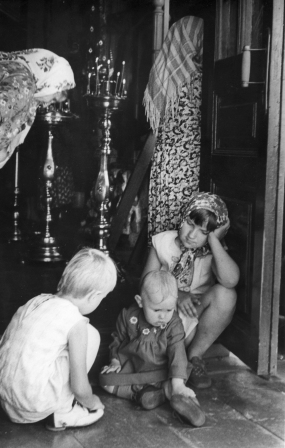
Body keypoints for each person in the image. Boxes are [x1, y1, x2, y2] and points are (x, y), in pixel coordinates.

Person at [0, 248, 117, 431]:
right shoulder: (75, 322)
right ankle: (64, 411)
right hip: (32, 402)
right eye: (102, 298)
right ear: (93, 296)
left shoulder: (37, 301)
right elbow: (79, 388)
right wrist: (93, 402)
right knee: (92, 334)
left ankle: (43, 406)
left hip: (4, 397)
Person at [141, 192, 240, 389]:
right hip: (163, 320)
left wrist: (213, 240)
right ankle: (167, 363)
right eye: (190, 224)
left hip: (192, 321)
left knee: (227, 295)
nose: (192, 235)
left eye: (203, 232)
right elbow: (146, 282)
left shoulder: (214, 253)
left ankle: (193, 358)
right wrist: (176, 294)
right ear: (183, 217)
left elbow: (230, 280)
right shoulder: (163, 242)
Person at [100, 270, 206, 427]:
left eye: (169, 310)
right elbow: (118, 339)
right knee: (105, 380)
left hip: (162, 372)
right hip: (132, 370)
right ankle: (153, 394)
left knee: (177, 385)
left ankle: (184, 400)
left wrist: (178, 384)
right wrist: (115, 361)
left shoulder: (174, 324)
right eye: (157, 310)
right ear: (140, 301)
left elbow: (178, 353)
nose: (163, 316)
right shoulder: (128, 316)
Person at [143, 16, 204, 241]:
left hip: (168, 160)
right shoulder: (197, 76)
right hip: (187, 162)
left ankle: (161, 272)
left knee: (167, 216)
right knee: (184, 221)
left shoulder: (165, 73)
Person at [0, 48, 75, 170]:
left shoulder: (19, 70)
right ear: (50, 83)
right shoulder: (25, 83)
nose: (47, 105)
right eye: (53, 99)